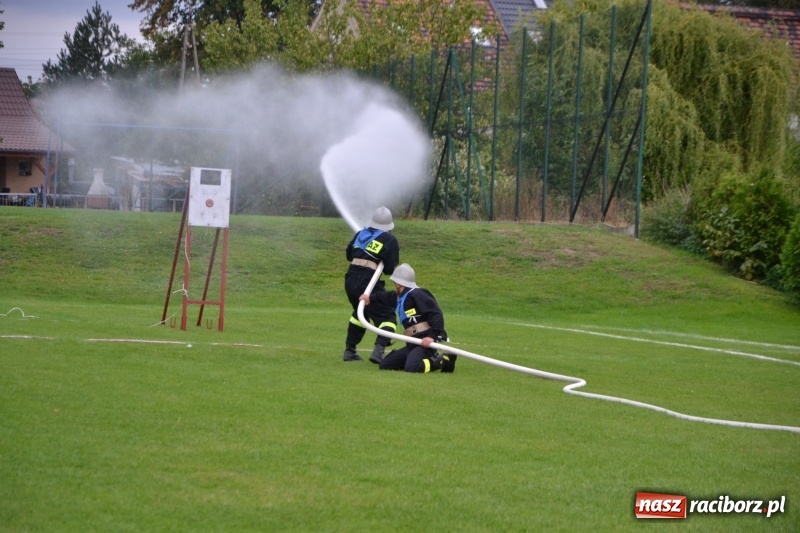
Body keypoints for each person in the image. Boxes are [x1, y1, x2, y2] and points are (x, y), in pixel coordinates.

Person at [359, 263, 456, 373]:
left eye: (394, 281)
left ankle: (443, 359)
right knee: (385, 365)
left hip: (423, 341)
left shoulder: (418, 294)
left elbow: (436, 314)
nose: (394, 283)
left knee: (412, 367)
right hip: (411, 342)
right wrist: (369, 298)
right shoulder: (400, 297)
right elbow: (385, 296)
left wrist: (431, 337)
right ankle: (419, 358)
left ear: (398, 283)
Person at [342, 206, 400, 363]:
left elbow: (349, 254)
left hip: (350, 279)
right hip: (368, 281)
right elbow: (389, 269)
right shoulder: (390, 240)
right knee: (387, 315)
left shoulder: (361, 233)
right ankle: (379, 350)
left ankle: (350, 350)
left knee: (361, 313)